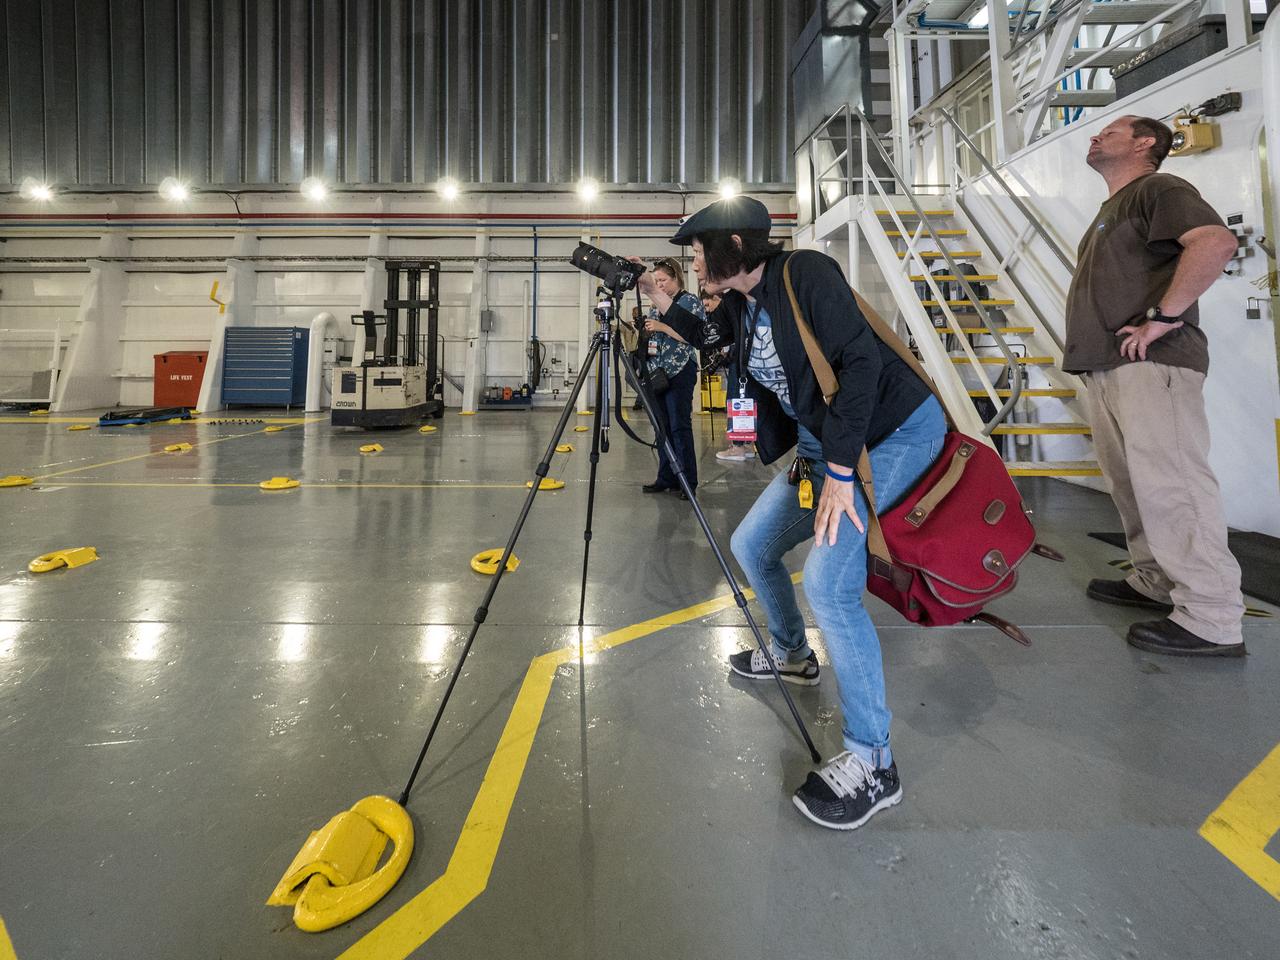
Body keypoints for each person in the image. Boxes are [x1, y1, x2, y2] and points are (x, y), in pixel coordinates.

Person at [635, 196, 945, 831]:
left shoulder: (805, 273)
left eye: (699, 251)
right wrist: (658, 298)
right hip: (824, 443)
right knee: (752, 546)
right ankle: (794, 654)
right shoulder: (743, 304)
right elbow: (709, 341)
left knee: (830, 587)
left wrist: (841, 472)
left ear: (737, 246)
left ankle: (875, 761)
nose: (694, 263)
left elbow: (860, 363)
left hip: (892, 434)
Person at [1066, 115, 1245, 658]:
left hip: (1153, 363)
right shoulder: (1115, 206)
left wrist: (1162, 319)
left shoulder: (1159, 188)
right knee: (1133, 486)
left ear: (1145, 143)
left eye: (1111, 132)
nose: (1095, 136)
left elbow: (1214, 242)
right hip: (1109, 365)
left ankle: (1212, 617)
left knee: (1174, 486)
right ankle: (1156, 580)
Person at [640, 258, 702, 500]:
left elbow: (694, 336)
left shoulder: (690, 302)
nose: (659, 285)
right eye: (656, 281)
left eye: (663, 280)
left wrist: (662, 327)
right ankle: (666, 477)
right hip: (658, 372)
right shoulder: (655, 304)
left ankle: (687, 481)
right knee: (661, 427)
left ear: (676, 277)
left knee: (679, 426)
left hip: (680, 370)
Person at [703, 287, 756, 463]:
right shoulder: (741, 311)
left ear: (717, 299)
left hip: (739, 365)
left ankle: (737, 447)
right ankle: (747, 444)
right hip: (746, 364)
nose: (708, 310)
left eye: (708, 305)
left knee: (735, 401)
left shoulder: (730, 309)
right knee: (747, 401)